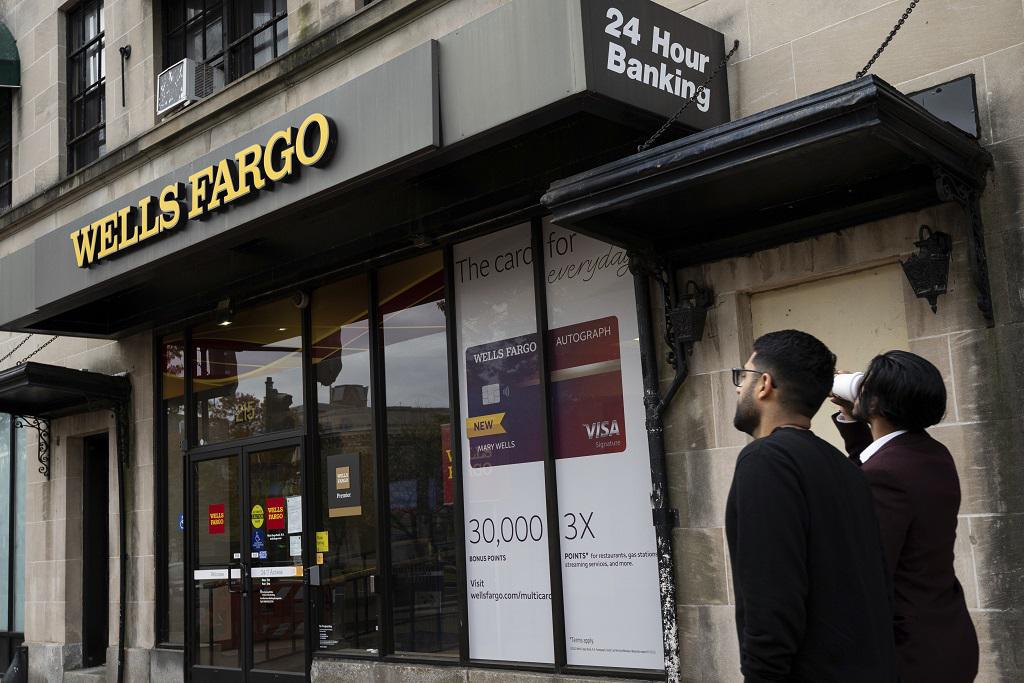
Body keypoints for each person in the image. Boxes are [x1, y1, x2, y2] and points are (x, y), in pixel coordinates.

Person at [726, 330, 897, 682]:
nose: (739, 388)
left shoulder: (765, 460)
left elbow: (771, 597)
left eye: (743, 376)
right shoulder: (847, 470)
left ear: (764, 384)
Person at [832, 350, 979, 683]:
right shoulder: (932, 453)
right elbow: (878, 465)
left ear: (877, 403)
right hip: (947, 638)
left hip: (910, 657)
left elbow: (871, 572)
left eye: (865, 384)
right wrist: (853, 419)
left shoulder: (886, 474)